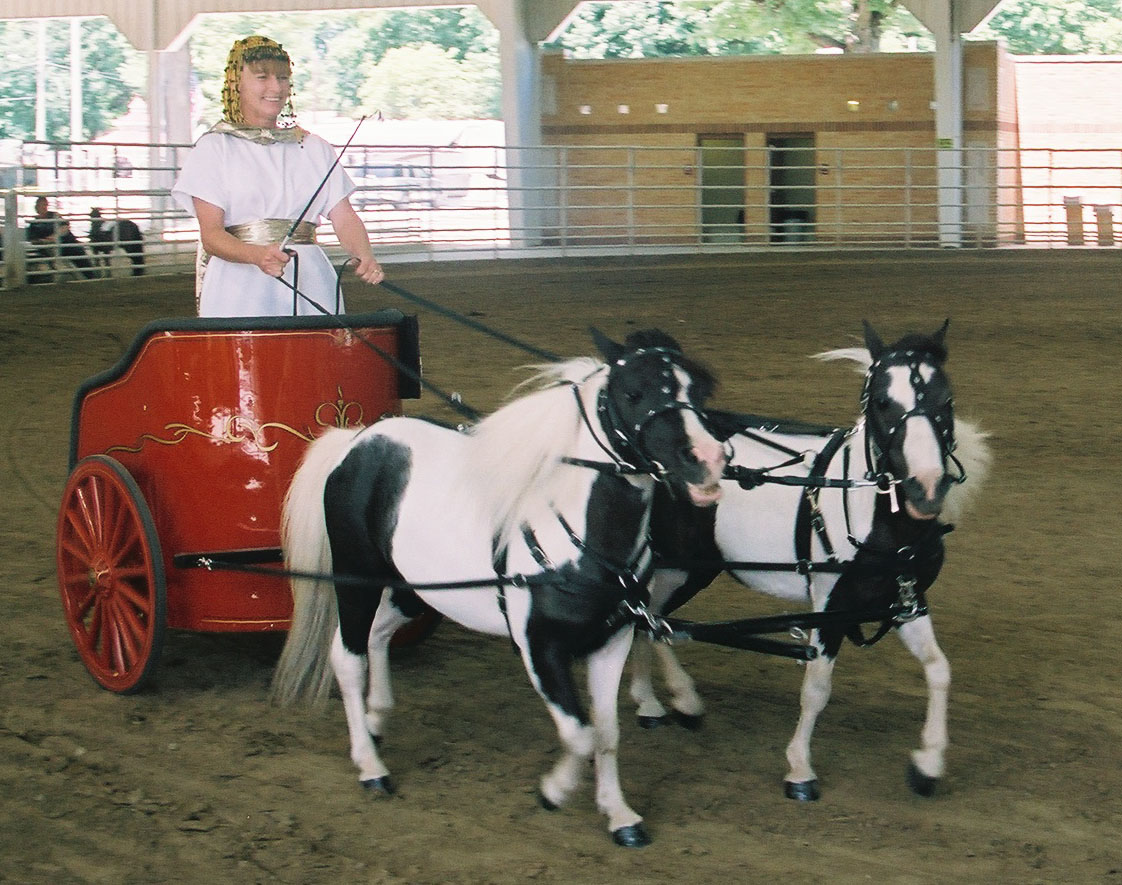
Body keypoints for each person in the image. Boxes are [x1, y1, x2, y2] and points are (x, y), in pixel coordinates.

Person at [171, 35, 384, 317]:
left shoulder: (313, 147)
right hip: (238, 285)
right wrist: (257, 256)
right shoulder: (214, 148)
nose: (276, 87)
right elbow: (211, 235)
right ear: (237, 82)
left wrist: (364, 254)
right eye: (262, 77)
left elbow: (344, 217)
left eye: (283, 78)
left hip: (311, 281)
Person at [26, 196, 96, 283]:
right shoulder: (34, 223)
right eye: (41, 205)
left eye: (45, 204)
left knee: (78, 252)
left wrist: (54, 237)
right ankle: (90, 277)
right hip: (52, 247)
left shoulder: (54, 215)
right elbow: (33, 240)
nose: (43, 207)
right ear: (37, 207)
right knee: (76, 251)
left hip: (65, 242)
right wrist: (46, 241)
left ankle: (90, 276)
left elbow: (65, 226)